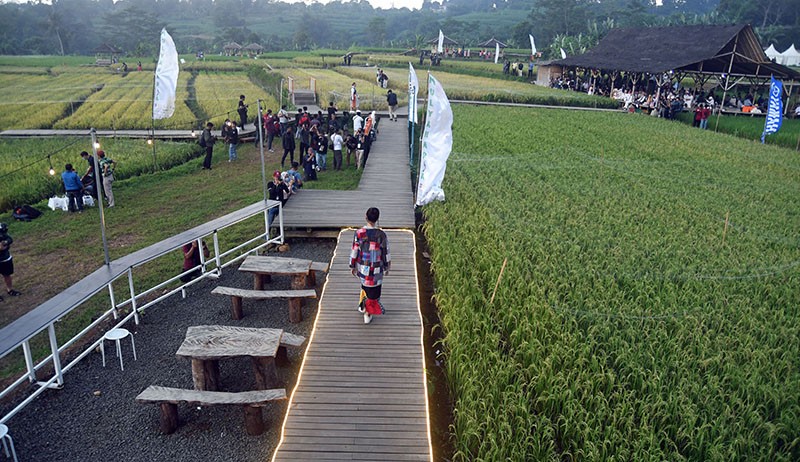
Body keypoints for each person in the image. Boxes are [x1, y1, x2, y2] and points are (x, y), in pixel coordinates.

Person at [349, 207, 390, 324]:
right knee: (374, 291)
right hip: (377, 269)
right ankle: (368, 313)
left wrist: (352, 265)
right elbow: (385, 252)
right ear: (377, 219)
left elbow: (354, 250)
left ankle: (362, 306)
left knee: (365, 286)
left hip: (363, 267)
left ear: (366, 217)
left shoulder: (359, 233)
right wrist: (387, 266)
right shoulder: (381, 234)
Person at [0, 223, 21, 300]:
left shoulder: (2, 233)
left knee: (7, 275)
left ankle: (10, 290)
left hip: (5, 258)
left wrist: (5, 242)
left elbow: (9, 239)